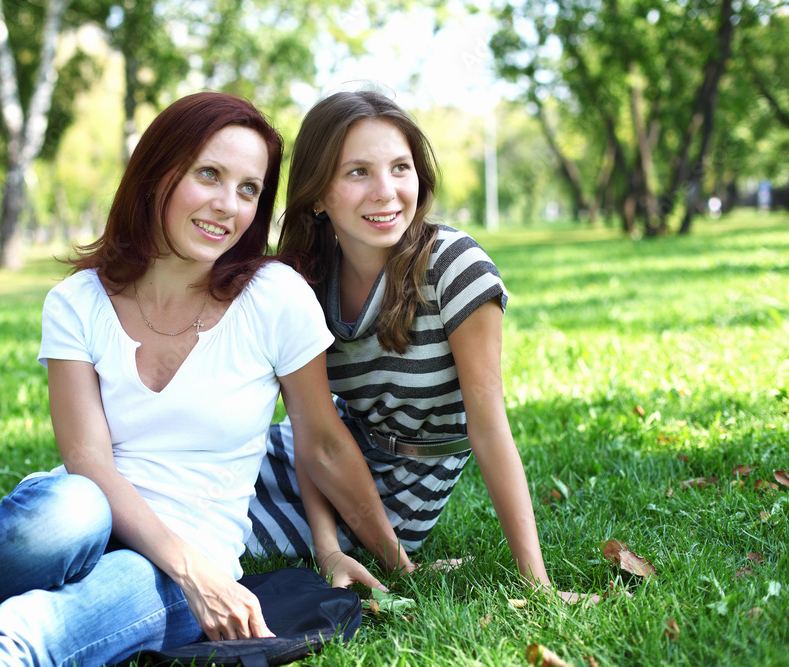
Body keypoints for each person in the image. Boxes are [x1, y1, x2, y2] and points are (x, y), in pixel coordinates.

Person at [0, 91, 408, 667]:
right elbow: (87, 462)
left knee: (21, 633)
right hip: (78, 523)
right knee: (73, 501)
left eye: (249, 189)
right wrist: (190, 568)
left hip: (178, 561)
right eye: (209, 175)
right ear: (158, 173)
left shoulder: (274, 297)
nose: (229, 205)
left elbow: (322, 441)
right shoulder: (77, 301)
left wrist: (387, 560)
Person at [249, 90, 593, 602]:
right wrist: (326, 551)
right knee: (189, 488)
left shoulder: (455, 268)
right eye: (357, 172)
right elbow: (314, 435)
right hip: (316, 464)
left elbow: (490, 426)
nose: (386, 191)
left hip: (403, 488)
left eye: (400, 167)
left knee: (226, 538)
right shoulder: (304, 283)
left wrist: (537, 586)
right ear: (318, 195)